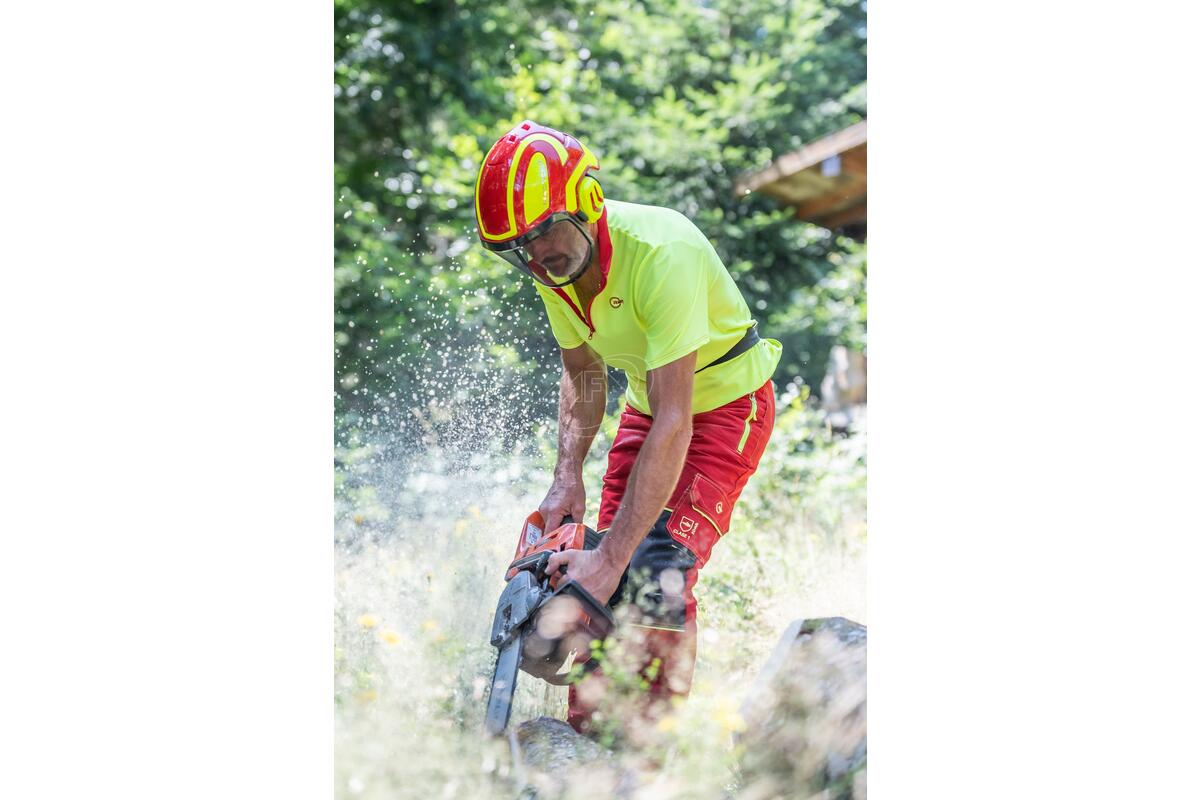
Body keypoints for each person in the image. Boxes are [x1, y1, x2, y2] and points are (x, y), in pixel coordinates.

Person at [474, 120, 782, 737]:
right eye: (518, 250)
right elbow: (584, 373)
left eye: (540, 235)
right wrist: (566, 482)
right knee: (598, 569)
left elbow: (678, 420)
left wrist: (614, 559)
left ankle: (643, 754)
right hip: (653, 406)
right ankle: (591, 738)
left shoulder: (661, 251)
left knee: (653, 567)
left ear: (586, 203)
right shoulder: (555, 267)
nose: (534, 257)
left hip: (725, 407)